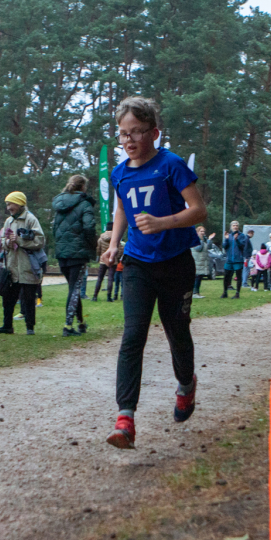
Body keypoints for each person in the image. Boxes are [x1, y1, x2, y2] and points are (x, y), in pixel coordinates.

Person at [99, 96, 207, 449]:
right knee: (133, 337)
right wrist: (115, 243)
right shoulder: (120, 172)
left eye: (136, 132)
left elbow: (198, 210)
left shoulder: (170, 165)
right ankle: (125, 418)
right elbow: (122, 209)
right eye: (122, 134)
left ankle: (186, 385)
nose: (128, 140)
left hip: (175, 262)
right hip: (137, 264)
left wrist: (162, 223)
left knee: (177, 332)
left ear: (154, 132)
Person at [0, 191, 45, 335]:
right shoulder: (9, 221)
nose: (9, 207)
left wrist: (19, 240)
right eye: (7, 204)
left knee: (28, 299)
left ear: (20, 203)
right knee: (8, 298)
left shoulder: (31, 219)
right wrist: (7, 242)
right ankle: (7, 326)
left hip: (28, 266)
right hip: (11, 267)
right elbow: (3, 240)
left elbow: (40, 241)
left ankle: (30, 328)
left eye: (11, 204)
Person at [52, 174, 97, 337]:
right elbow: (89, 228)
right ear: (83, 187)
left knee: (73, 289)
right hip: (78, 253)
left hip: (62, 252)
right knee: (74, 289)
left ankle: (81, 323)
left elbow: (54, 229)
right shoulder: (85, 204)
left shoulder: (59, 205)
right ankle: (68, 326)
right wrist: (93, 246)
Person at [222, 221, 252, 298]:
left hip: (238, 259)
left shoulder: (242, 236)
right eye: (233, 225)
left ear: (238, 227)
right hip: (229, 260)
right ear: (231, 226)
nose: (235, 227)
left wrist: (237, 240)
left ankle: (237, 293)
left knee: (238, 277)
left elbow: (242, 246)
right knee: (226, 276)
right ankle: (225, 292)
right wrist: (226, 239)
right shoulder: (228, 235)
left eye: (236, 225)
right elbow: (224, 246)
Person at [93, 223, 118, 301]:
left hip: (103, 261)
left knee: (100, 278)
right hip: (112, 261)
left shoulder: (101, 238)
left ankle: (95, 296)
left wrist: (100, 256)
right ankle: (109, 297)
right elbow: (120, 249)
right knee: (110, 279)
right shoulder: (116, 237)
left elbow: (98, 249)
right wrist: (116, 257)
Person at [191, 226, 216, 296]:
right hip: (197, 261)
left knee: (200, 277)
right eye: (201, 231)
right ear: (197, 232)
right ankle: (194, 292)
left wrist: (209, 240)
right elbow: (198, 248)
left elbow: (209, 247)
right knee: (197, 277)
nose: (203, 233)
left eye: (203, 231)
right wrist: (202, 241)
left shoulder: (204, 240)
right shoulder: (196, 239)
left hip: (202, 261)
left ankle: (197, 292)